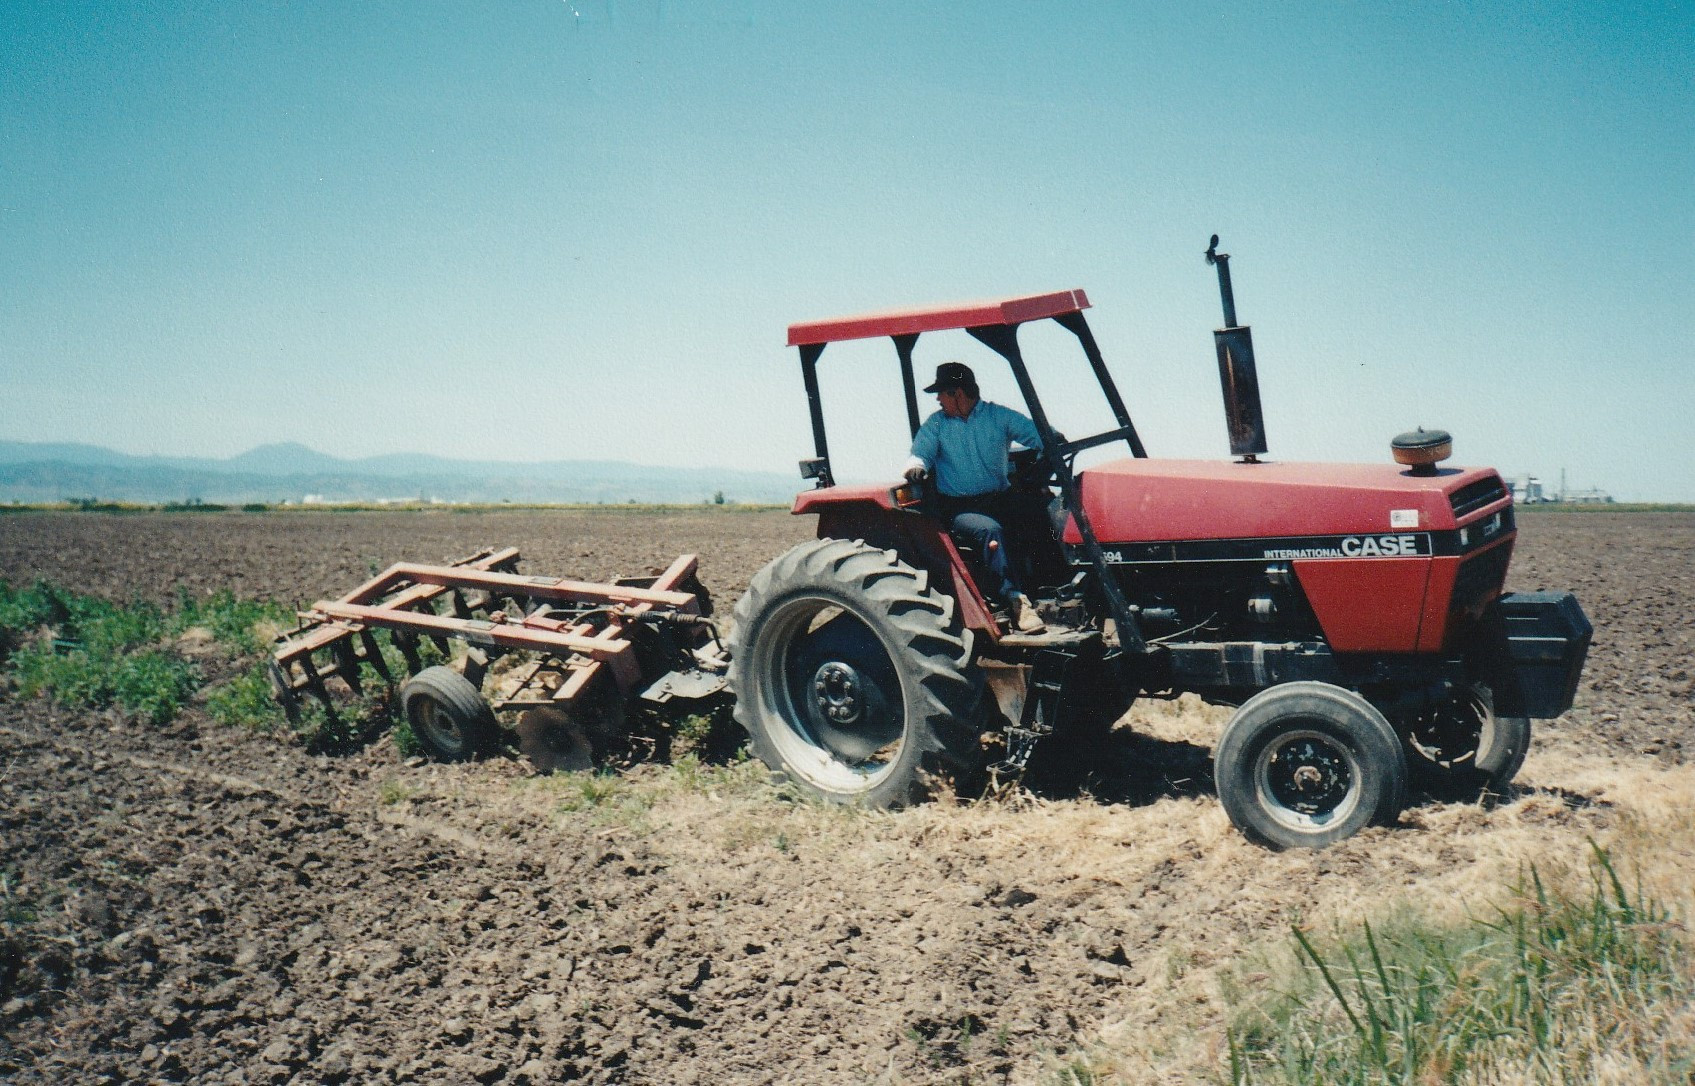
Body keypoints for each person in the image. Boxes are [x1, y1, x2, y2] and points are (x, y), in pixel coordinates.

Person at [902, 361, 1047, 634]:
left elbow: (1036, 435)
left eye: (941, 393)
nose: (937, 399)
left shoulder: (998, 416)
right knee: (990, 530)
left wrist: (1051, 440)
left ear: (957, 393)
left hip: (998, 498)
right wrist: (916, 466)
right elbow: (920, 453)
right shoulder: (937, 424)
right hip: (960, 508)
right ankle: (1015, 601)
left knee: (1043, 512)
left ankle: (1054, 590)